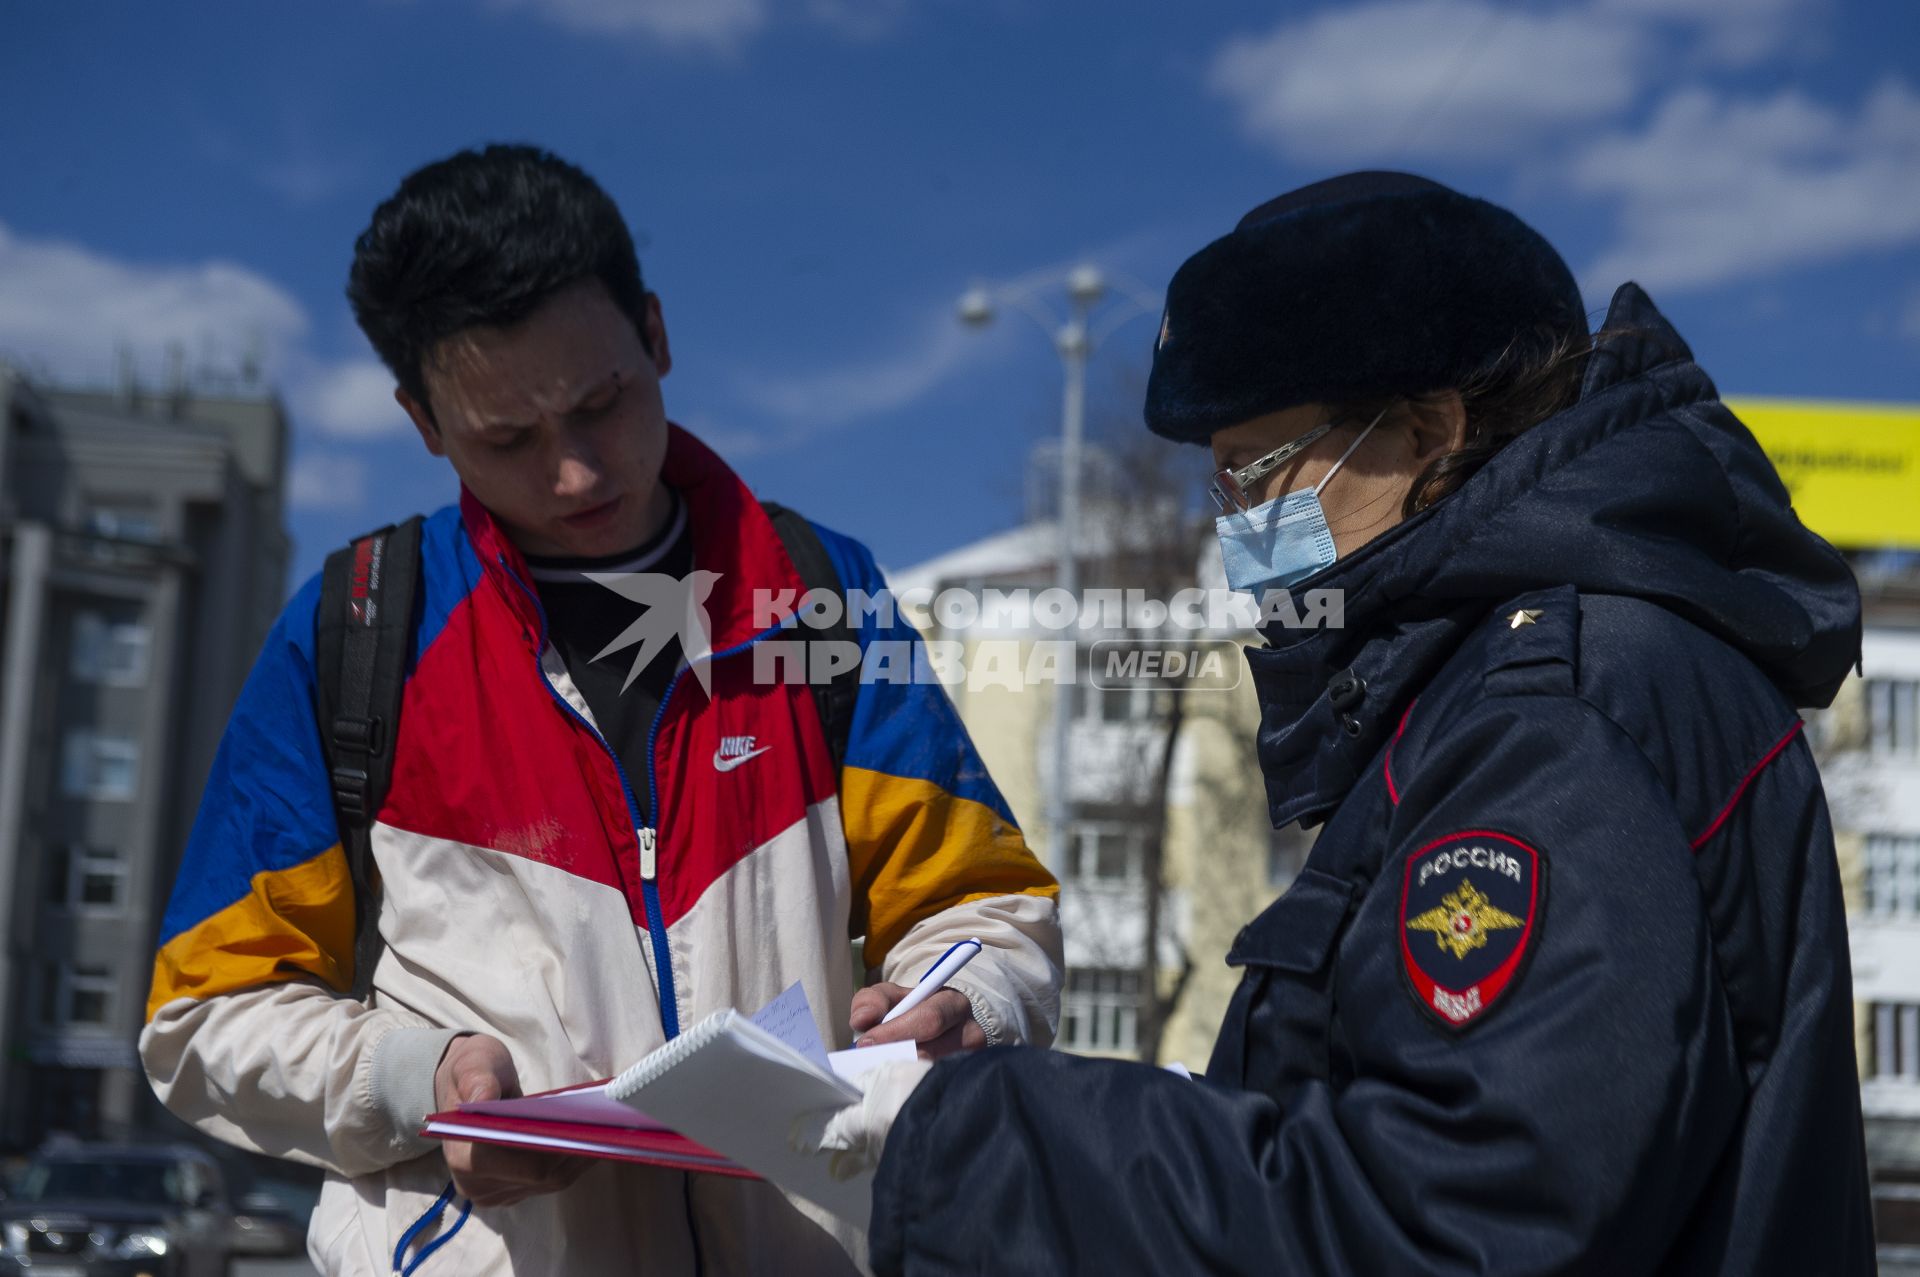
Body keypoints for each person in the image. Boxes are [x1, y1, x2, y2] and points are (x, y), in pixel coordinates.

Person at [815, 171, 1877, 1273]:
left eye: (1257, 471)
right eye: (1217, 483)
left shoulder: (1552, 710)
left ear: (1429, 429)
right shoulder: (1509, 675)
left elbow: (1459, 1215)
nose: (1235, 524)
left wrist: (981, 1133)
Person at [139, 144, 1063, 1276]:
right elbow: (205, 1013)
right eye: (508, 439)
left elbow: (987, 907)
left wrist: (966, 995)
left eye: (600, 403)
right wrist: (414, 1077)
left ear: (658, 336)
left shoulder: (818, 594)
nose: (574, 472)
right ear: (422, 422)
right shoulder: (354, 631)